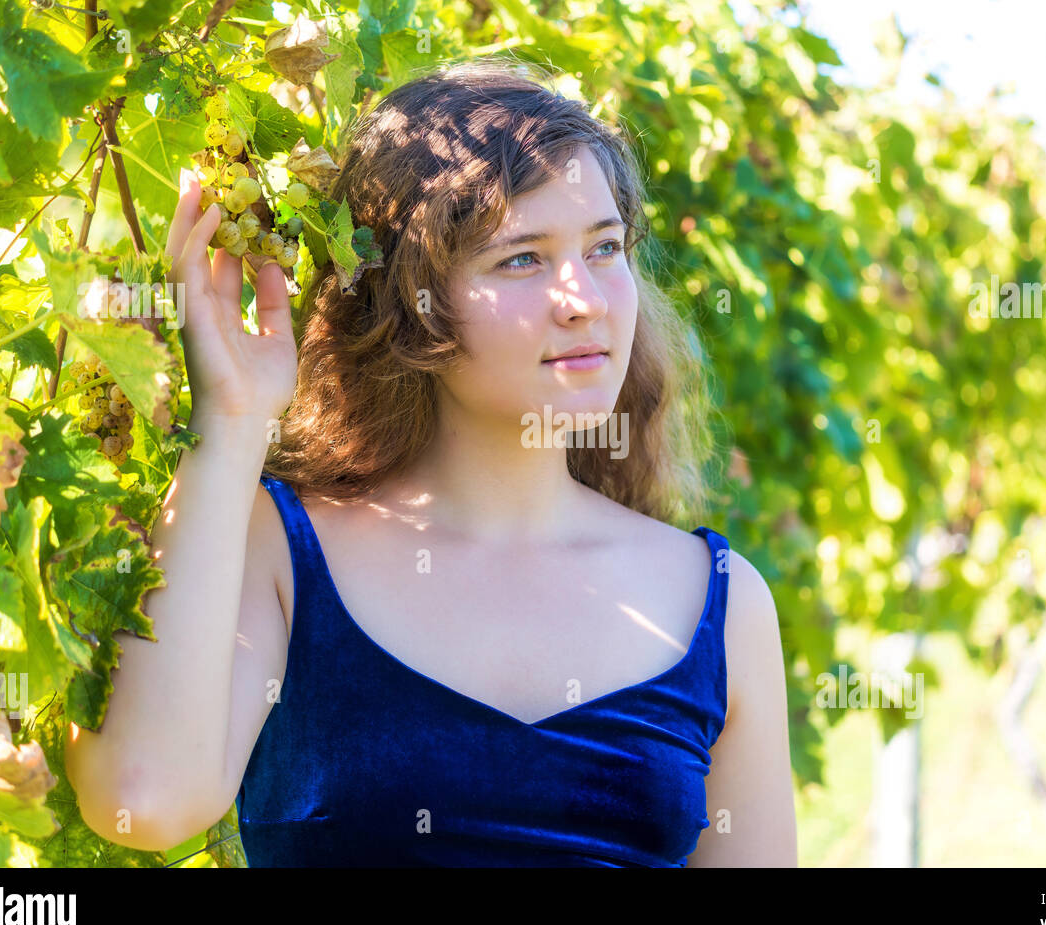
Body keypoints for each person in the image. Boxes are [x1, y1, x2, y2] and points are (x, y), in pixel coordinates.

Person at [66, 56, 797, 867]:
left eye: (605, 248)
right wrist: (232, 419)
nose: (583, 297)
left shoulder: (720, 604)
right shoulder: (280, 547)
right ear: (414, 305)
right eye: (521, 258)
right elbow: (141, 797)